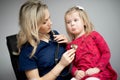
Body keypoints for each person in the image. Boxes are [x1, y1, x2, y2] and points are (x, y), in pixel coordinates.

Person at [17, 0, 76, 80]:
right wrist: (61, 65)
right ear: (32, 26)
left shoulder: (54, 34)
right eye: (44, 22)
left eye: (49, 18)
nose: (50, 23)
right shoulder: (27, 51)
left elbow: (76, 54)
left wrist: (69, 43)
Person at [64, 6, 117, 80]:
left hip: (99, 73)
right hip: (82, 75)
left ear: (84, 22)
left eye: (75, 20)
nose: (72, 24)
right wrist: (76, 72)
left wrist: (97, 69)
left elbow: (106, 53)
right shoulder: (70, 46)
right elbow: (70, 64)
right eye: (68, 22)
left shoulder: (94, 35)